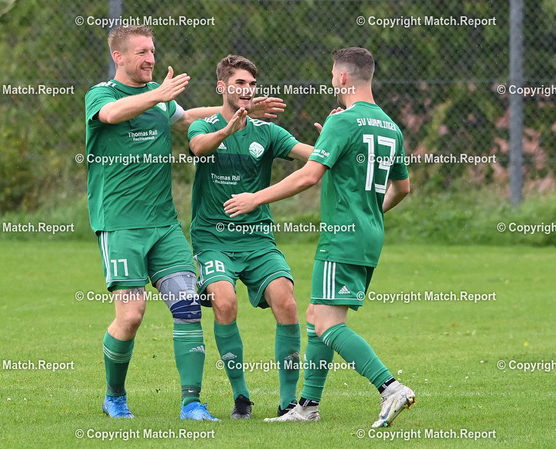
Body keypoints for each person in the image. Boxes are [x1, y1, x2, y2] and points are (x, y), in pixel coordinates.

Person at [85, 26, 283, 420]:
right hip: (120, 225)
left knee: (188, 306)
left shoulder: (159, 99)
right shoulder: (102, 94)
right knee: (131, 315)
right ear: (118, 57)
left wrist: (237, 113)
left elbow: (187, 117)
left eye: (152, 51)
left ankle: (191, 403)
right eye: (141, 52)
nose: (150, 59)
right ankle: (114, 396)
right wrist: (157, 94)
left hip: (165, 225)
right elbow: (111, 115)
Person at [224, 47, 415, 427]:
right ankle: (307, 407)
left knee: (328, 325)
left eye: (332, 75)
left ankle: (390, 387)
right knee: (315, 316)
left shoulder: (343, 121)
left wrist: (255, 198)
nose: (331, 81)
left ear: (342, 77)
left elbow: (309, 175)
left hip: (341, 237)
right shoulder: (390, 126)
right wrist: (369, 213)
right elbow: (403, 188)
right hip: (369, 235)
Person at [188, 55, 315, 419]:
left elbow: (312, 158)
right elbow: (199, 147)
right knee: (225, 302)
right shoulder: (204, 126)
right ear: (222, 87)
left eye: (252, 84)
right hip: (213, 240)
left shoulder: (268, 132)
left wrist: (334, 141)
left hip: (257, 240)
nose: (247, 90)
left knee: (287, 301)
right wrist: (228, 130)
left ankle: (288, 403)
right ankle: (241, 397)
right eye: (239, 83)